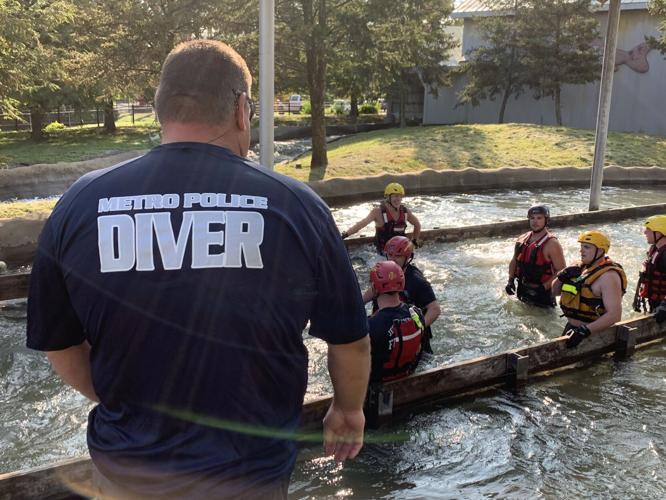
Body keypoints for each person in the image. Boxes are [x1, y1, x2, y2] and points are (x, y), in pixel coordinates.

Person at [26, 40, 370, 499]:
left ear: (158, 110)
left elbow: (60, 343)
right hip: (249, 476)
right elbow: (350, 339)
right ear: (242, 110)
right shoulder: (296, 206)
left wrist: (129, 404)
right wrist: (348, 412)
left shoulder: (80, 204)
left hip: (126, 470)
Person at [362, 236, 441, 354]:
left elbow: (435, 309)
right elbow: (366, 297)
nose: (392, 260)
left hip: (412, 337)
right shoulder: (384, 274)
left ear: (408, 257)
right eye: (390, 255)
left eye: (398, 256)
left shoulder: (417, 281)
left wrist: (416, 329)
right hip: (387, 333)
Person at [552, 230, 627, 349]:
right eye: (581, 246)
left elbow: (614, 315)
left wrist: (585, 331)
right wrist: (561, 276)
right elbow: (554, 292)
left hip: (594, 333)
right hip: (572, 329)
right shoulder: (577, 267)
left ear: (600, 250)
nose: (581, 250)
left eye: (586, 247)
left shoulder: (609, 276)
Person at [367, 261, 425, 383]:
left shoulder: (370, 325)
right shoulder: (417, 314)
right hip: (408, 379)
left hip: (377, 386)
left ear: (374, 288)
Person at [506, 205, 566, 307]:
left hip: (542, 293)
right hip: (522, 288)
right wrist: (510, 281)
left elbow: (562, 271)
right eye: (532, 218)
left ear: (546, 220)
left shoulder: (552, 243)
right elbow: (514, 261)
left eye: (539, 218)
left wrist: (543, 287)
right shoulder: (522, 238)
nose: (535, 221)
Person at [340, 182, 421, 254]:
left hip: (400, 253)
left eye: (400, 196)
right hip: (382, 253)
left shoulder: (405, 211)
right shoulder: (377, 212)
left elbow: (417, 224)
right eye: (395, 196)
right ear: (388, 197)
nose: (398, 199)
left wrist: (414, 242)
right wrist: (345, 235)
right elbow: (361, 224)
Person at [633, 215, 666, 324]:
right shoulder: (655, 249)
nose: (645, 232)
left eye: (649, 229)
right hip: (655, 303)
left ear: (660, 232)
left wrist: (664, 306)